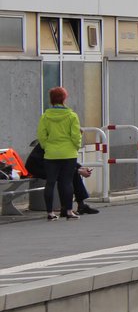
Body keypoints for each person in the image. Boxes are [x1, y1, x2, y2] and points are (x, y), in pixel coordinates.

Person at [36, 86, 81, 220]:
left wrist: (46, 146)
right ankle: (68, 211)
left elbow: (41, 135)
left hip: (51, 153)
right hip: (68, 153)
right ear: (64, 98)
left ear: (51, 100)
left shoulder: (45, 116)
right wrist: (76, 147)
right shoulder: (72, 116)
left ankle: (50, 212)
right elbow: (76, 135)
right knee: (67, 182)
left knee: (50, 182)